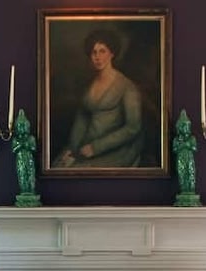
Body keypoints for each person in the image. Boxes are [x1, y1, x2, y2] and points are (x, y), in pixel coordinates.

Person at [52, 28, 144, 169]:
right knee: (58, 167)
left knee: (79, 170)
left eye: (102, 51)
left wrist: (96, 147)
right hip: (86, 144)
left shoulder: (127, 87)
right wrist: (72, 148)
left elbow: (133, 127)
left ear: (112, 53)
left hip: (115, 148)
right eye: (94, 52)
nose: (97, 57)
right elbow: (82, 119)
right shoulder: (90, 84)